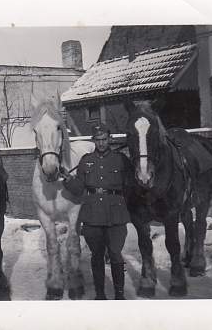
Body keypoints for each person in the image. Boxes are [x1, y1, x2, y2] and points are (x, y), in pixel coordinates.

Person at [62, 123, 132, 300]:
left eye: (104, 139)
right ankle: (100, 295)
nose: (101, 143)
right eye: (98, 140)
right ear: (94, 141)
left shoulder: (121, 160)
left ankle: (119, 295)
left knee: (116, 254)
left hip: (116, 215)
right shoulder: (86, 161)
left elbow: (131, 185)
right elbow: (79, 188)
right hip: (92, 216)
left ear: (109, 139)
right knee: (97, 256)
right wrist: (69, 179)